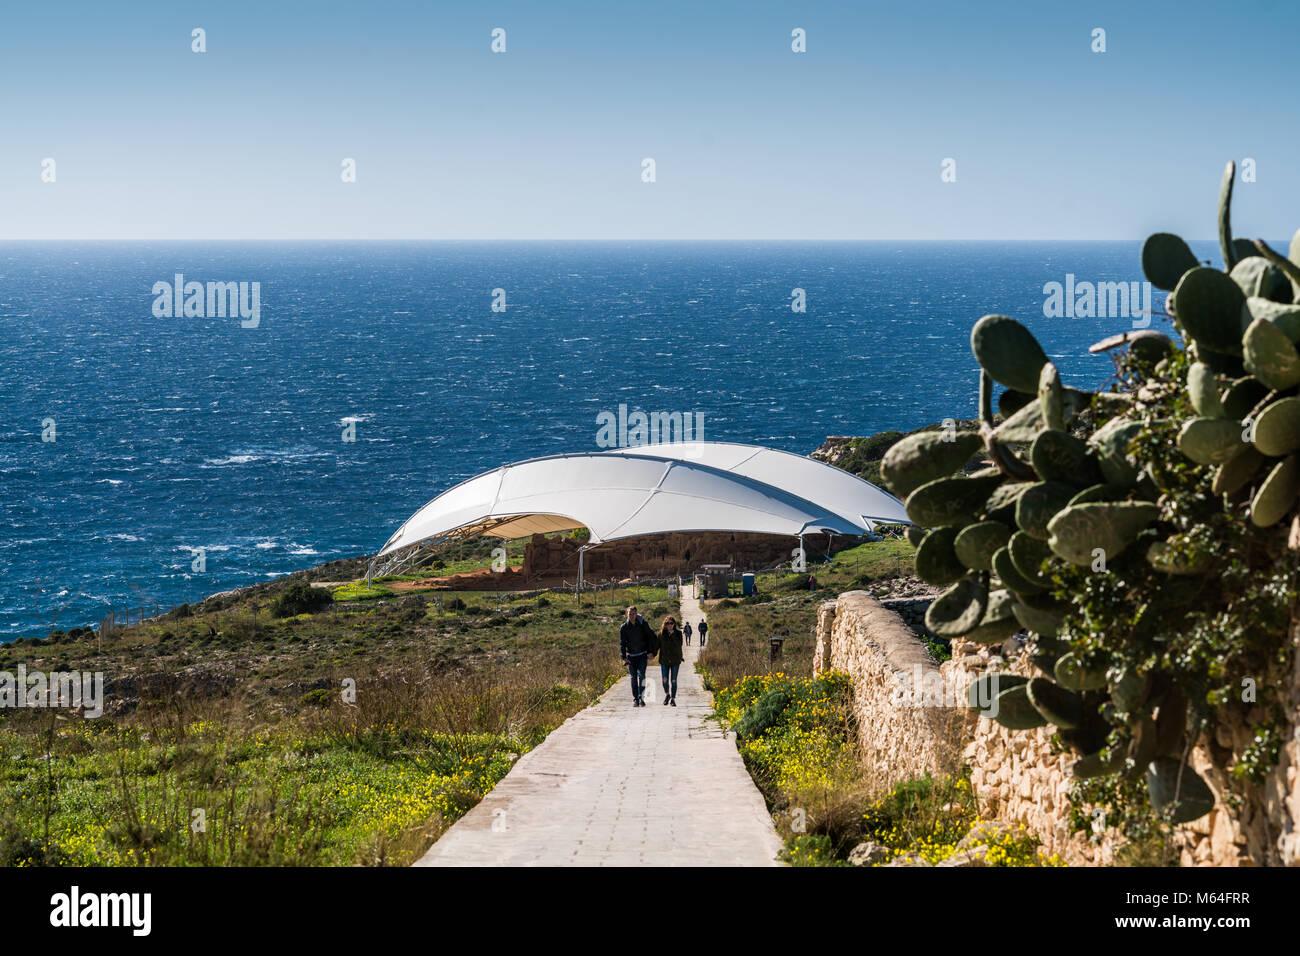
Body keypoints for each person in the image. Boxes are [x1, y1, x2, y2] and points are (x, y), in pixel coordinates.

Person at [619, 605, 659, 707]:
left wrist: (651, 652)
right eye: (630, 614)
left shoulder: (642, 624)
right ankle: (635, 699)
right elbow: (622, 643)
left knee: (642, 676)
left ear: (636, 614)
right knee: (633, 678)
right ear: (626, 615)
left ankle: (641, 697)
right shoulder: (623, 628)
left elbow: (651, 637)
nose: (632, 616)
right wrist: (623, 657)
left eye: (633, 614)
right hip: (630, 656)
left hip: (642, 655)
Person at [658, 616, 684, 706]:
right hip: (664, 660)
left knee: (673, 680)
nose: (669, 625)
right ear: (664, 624)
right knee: (665, 680)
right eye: (667, 623)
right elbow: (657, 646)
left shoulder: (678, 633)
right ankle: (667, 694)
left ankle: (673, 698)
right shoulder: (661, 634)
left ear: (674, 624)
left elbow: (679, 644)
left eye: (671, 623)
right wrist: (651, 653)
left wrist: (672, 635)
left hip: (675, 660)